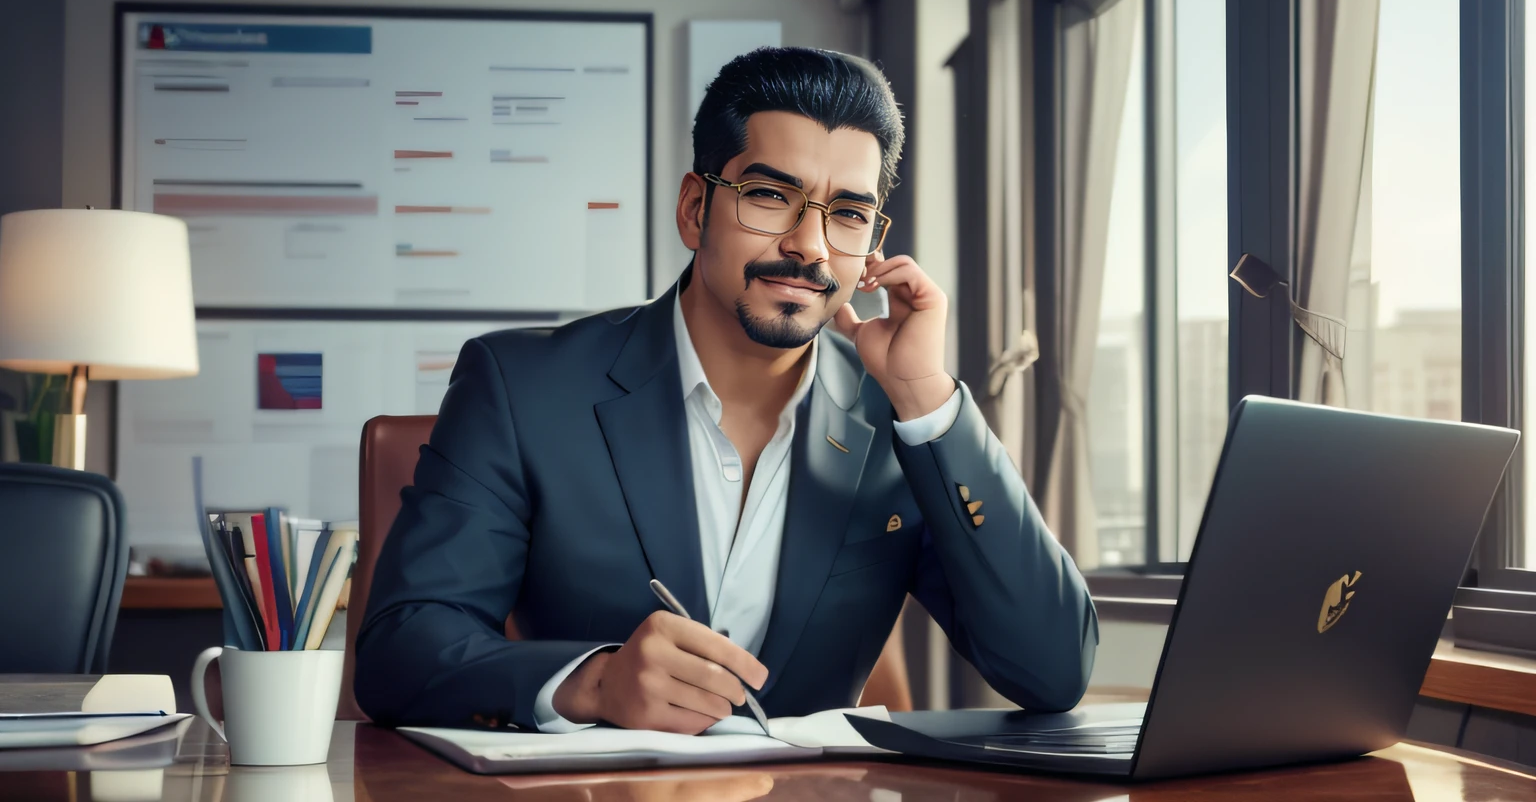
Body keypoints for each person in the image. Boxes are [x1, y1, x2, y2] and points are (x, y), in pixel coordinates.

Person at [356, 47, 1097, 733]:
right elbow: (401, 650)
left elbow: (1054, 667)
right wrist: (593, 682)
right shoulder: (521, 387)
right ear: (693, 208)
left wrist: (929, 400)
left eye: (847, 214)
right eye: (771, 196)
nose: (809, 245)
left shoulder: (899, 422)